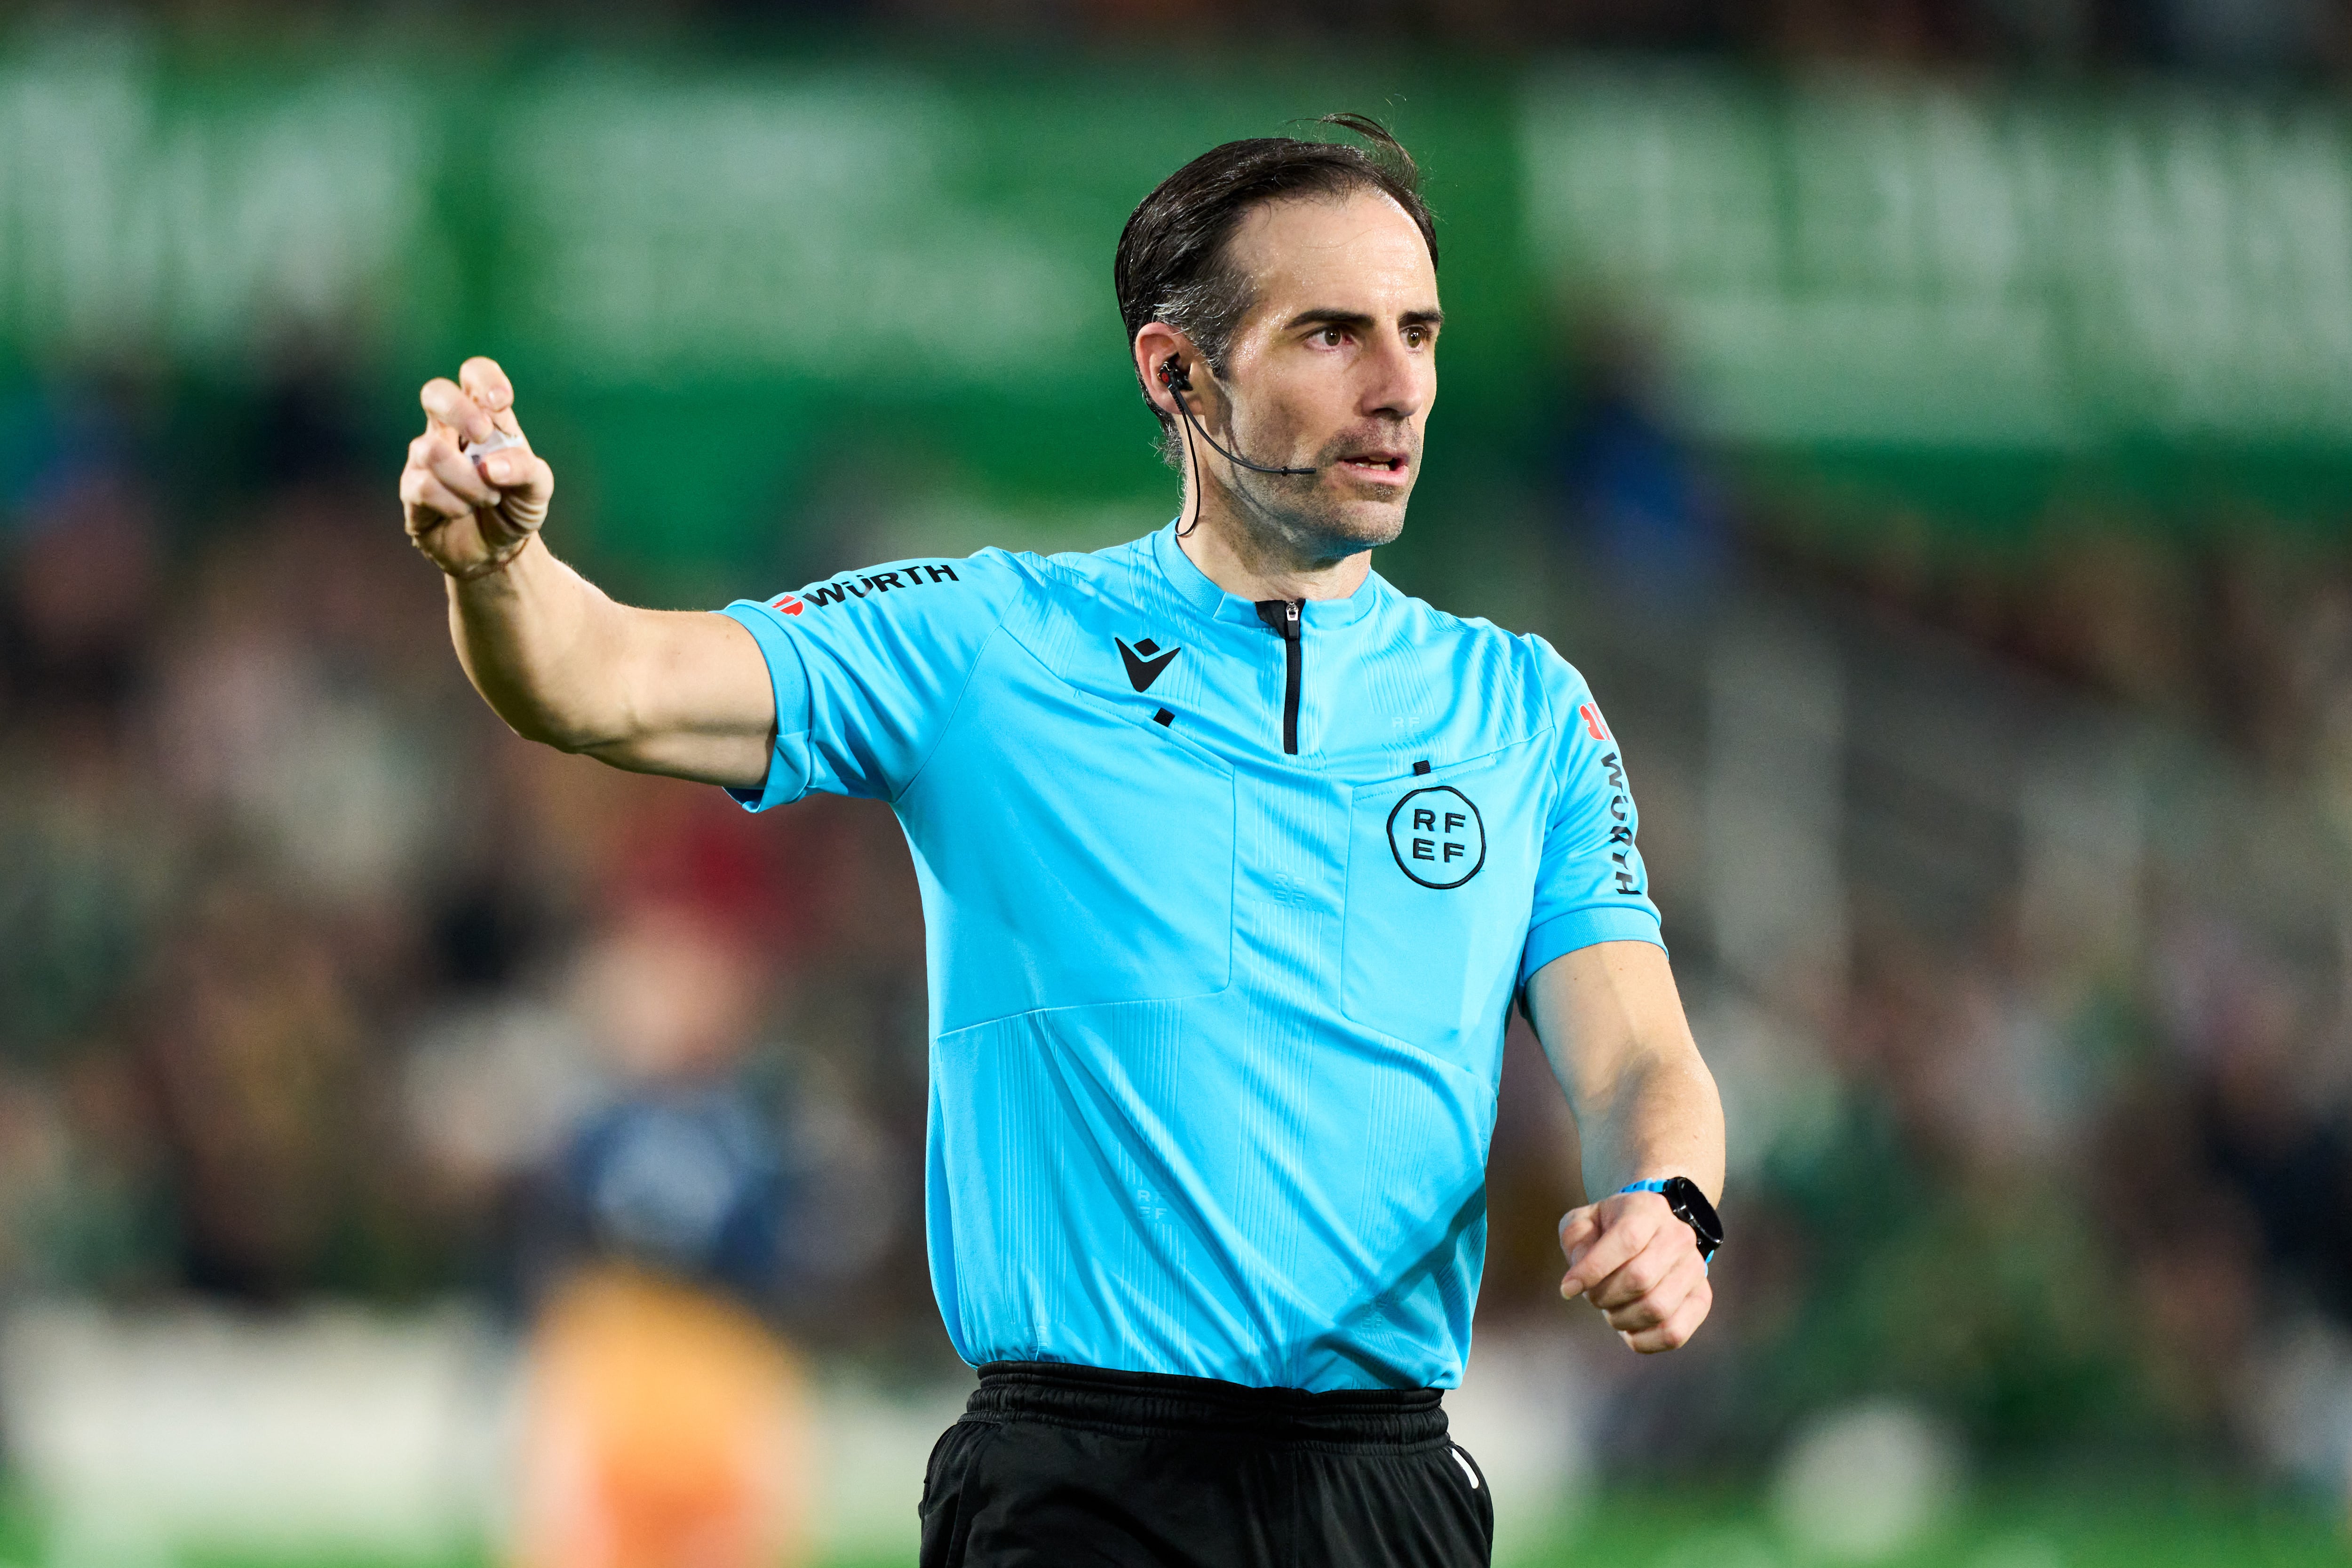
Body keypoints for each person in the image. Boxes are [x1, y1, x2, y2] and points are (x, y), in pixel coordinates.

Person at [398, 116, 1725, 1568]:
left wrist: (1671, 1209)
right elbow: (607, 682)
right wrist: (502, 569)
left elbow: (1641, 1061)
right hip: (1080, 1495)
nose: (1399, 386)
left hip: (1389, 1493)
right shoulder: (989, 643)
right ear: (1178, 373)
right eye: (1332, 335)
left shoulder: (1523, 710)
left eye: (1419, 331)